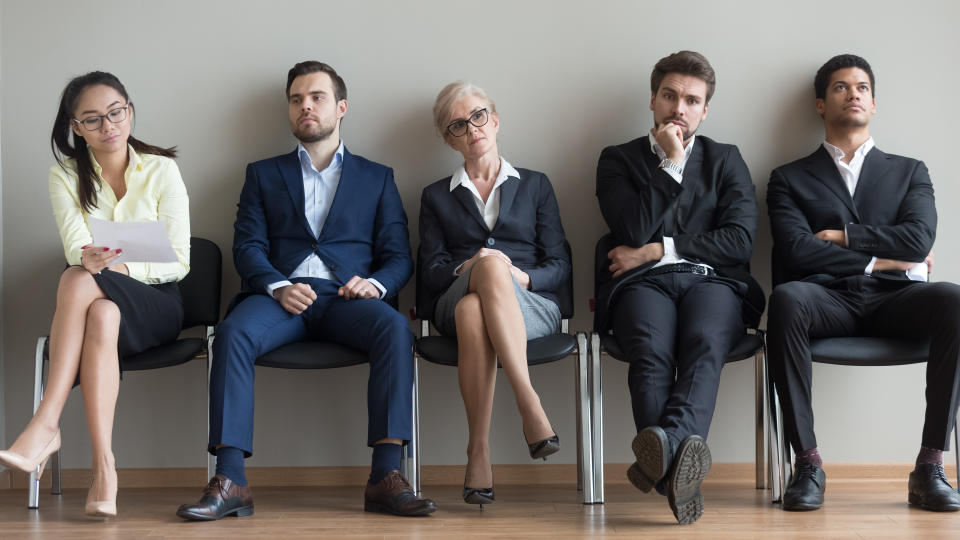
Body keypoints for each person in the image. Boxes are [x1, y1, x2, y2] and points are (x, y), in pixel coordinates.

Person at [176, 61, 435, 521]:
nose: (305, 106)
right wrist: (277, 286)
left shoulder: (377, 177)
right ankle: (231, 478)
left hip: (348, 300)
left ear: (341, 107)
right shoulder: (262, 174)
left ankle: (385, 477)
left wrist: (374, 284)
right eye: (296, 99)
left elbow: (398, 257)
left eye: (316, 97)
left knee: (395, 330)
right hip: (279, 300)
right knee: (232, 333)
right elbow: (248, 246)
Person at [767, 53, 960, 512]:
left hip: (900, 301)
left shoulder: (910, 171)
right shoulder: (787, 178)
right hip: (825, 298)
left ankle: (930, 467)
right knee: (787, 297)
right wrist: (887, 262)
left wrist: (843, 236)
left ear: (873, 104)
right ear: (820, 104)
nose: (853, 93)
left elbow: (918, 239)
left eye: (862, 88)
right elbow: (796, 250)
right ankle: (808, 465)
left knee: (954, 299)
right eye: (840, 87)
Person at [0, 71, 190, 518]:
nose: (108, 126)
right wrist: (95, 263)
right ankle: (105, 468)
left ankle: (47, 422)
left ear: (129, 110)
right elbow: (76, 247)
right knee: (100, 310)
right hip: (100, 306)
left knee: (75, 281)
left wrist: (121, 267)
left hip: (158, 306)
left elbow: (179, 260)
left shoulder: (162, 169)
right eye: (93, 119)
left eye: (116, 112)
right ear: (76, 126)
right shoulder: (64, 175)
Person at [594, 51, 761, 524]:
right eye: (670, 96)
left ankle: (663, 458)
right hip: (641, 286)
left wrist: (654, 250)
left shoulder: (726, 159)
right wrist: (670, 163)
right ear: (653, 99)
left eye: (692, 100)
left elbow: (740, 240)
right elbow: (629, 227)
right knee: (650, 349)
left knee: (705, 342)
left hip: (713, 282)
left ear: (705, 110)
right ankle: (675, 471)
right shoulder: (618, 160)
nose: (678, 109)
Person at [418, 82, 570, 507]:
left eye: (479, 116)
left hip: (531, 304)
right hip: (454, 293)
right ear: (450, 139)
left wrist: (516, 276)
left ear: (495, 120)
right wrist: (474, 266)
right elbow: (430, 273)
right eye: (459, 125)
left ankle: (478, 452)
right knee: (480, 274)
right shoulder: (434, 196)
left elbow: (560, 265)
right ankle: (529, 403)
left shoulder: (537, 185)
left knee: (475, 309)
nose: (473, 129)